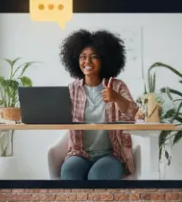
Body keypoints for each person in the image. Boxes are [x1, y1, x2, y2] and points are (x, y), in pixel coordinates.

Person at [58, 29, 140, 180]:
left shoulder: (117, 86)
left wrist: (117, 98)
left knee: (97, 177)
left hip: (111, 155)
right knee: (69, 173)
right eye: (83, 57)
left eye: (94, 57)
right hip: (79, 154)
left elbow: (133, 115)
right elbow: (58, 117)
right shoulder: (71, 89)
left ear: (105, 59)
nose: (87, 62)